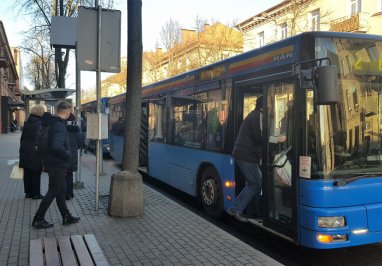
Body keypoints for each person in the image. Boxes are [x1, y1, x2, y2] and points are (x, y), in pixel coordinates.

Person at [32, 101, 80, 229]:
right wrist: (68, 155)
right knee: (53, 191)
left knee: (61, 189)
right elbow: (56, 146)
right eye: (70, 112)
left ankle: (66, 216)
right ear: (67, 112)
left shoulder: (50, 122)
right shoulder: (59, 125)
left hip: (50, 161)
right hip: (57, 163)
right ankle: (38, 218)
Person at [227, 96, 263, 222]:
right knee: (255, 183)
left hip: (248, 155)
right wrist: (274, 139)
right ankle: (235, 209)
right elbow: (258, 137)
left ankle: (254, 211)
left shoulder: (256, 115)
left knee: (256, 183)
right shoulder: (256, 116)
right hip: (245, 155)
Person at [19, 106, 45, 199]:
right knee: (35, 172)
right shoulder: (39, 123)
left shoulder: (27, 122)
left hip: (25, 150)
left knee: (27, 172)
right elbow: (39, 139)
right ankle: (36, 193)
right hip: (35, 151)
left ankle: (28, 192)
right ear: (40, 112)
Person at [65, 113, 82, 200]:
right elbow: (79, 143)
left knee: (62, 175)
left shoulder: (62, 127)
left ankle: (63, 193)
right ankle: (70, 193)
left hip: (63, 154)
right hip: (73, 154)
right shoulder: (76, 128)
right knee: (69, 175)